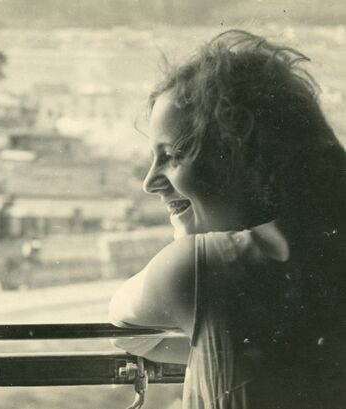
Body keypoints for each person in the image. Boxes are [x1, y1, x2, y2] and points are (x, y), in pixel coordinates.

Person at [109, 30, 346, 409]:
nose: (149, 182)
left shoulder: (200, 268)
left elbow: (126, 330)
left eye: (172, 155)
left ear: (239, 150)